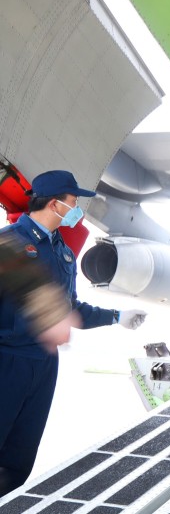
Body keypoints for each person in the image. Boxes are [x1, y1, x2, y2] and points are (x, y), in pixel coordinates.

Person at [0, 170, 146, 496]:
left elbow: (70, 308)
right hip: (8, 362)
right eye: (73, 201)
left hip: (44, 365)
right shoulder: (8, 243)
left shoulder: (62, 251)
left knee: (18, 459)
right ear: (55, 204)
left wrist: (116, 317)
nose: (77, 208)